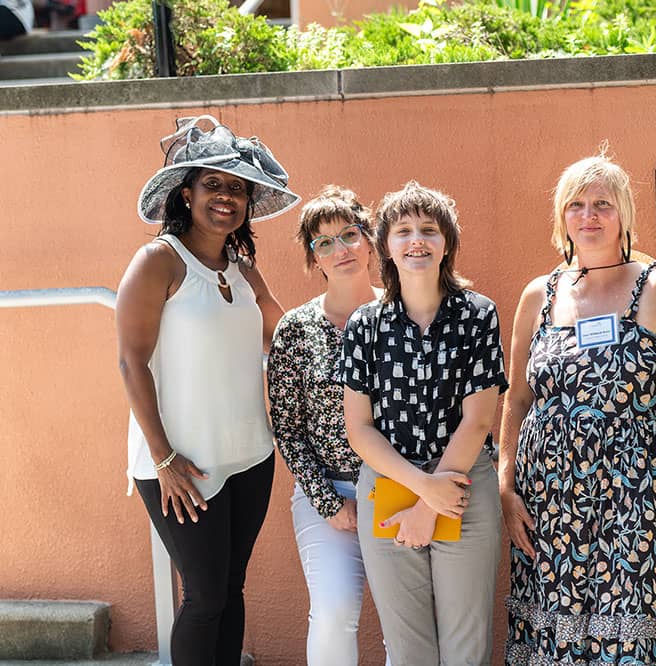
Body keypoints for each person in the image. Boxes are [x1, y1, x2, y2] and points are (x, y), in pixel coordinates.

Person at [500, 154, 656, 665]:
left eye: (602, 204)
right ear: (560, 218)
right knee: (556, 612)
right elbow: (519, 393)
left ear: (624, 214)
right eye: (575, 205)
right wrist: (506, 480)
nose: (588, 215)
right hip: (549, 495)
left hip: (639, 491)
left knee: (640, 610)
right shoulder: (538, 295)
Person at [116, 115, 299, 666]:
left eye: (238, 188)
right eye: (213, 184)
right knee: (203, 597)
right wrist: (163, 457)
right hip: (182, 464)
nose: (226, 197)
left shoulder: (243, 267)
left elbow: (285, 331)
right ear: (186, 192)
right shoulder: (159, 261)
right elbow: (131, 362)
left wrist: (361, 315)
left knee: (231, 589)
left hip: (251, 456)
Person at [340, 181, 508, 665]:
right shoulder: (365, 325)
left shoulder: (479, 315)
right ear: (385, 246)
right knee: (408, 648)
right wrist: (420, 493)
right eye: (403, 230)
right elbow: (359, 428)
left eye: (429, 230)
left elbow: (477, 421)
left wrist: (434, 502)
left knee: (465, 645)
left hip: (462, 486)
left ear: (447, 243)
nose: (417, 240)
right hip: (389, 483)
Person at [267, 186, 388, 665]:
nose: (340, 251)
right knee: (335, 611)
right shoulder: (296, 330)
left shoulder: (400, 313)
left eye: (349, 236)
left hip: (399, 490)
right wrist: (326, 500)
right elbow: (288, 428)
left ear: (370, 241)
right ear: (313, 258)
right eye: (324, 243)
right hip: (329, 496)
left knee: (408, 619)